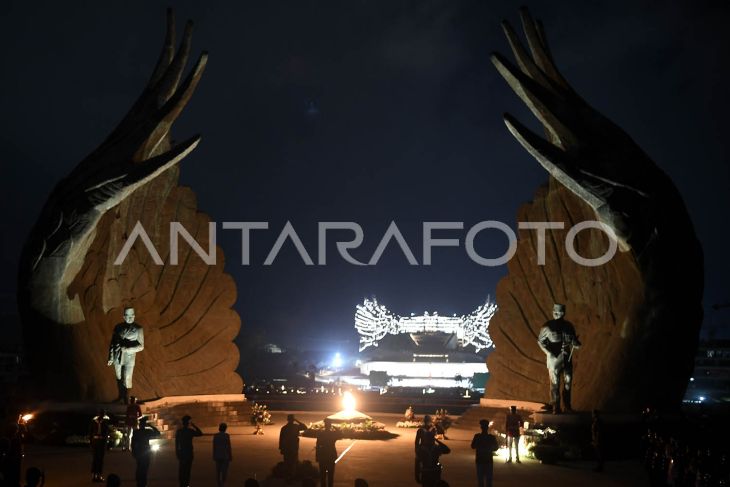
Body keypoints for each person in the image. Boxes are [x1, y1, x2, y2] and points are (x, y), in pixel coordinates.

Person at [537, 303, 581, 413]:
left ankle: (567, 406)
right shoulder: (547, 326)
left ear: (564, 313)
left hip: (567, 359)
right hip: (554, 361)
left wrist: (576, 344)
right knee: (555, 384)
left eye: (560, 312)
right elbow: (540, 341)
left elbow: (574, 340)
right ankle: (555, 406)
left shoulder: (569, 326)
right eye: (556, 312)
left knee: (568, 384)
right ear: (552, 312)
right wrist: (548, 353)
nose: (558, 314)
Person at [107, 306, 145, 404]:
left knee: (127, 378)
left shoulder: (138, 329)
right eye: (127, 315)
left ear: (134, 315)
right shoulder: (118, 327)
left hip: (129, 357)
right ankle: (120, 396)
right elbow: (113, 342)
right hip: (117, 357)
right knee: (119, 377)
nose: (130, 317)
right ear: (124, 316)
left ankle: (126, 399)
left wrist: (128, 349)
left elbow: (141, 346)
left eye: (132, 315)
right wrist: (111, 357)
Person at [175, 415, 203, 487]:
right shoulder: (190, 431)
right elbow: (200, 433)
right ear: (188, 423)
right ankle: (186, 484)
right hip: (189, 452)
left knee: (181, 469)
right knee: (187, 470)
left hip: (182, 452)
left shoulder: (179, 431)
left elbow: (176, 443)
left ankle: (182, 484)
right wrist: (194, 425)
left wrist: (177, 452)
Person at [279, 414, 307, 481]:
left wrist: (281, 448)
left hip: (286, 447)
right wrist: (297, 420)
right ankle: (291, 477)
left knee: (287, 462)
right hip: (293, 447)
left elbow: (281, 439)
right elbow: (305, 427)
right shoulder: (296, 427)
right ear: (293, 420)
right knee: (293, 463)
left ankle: (287, 476)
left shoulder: (284, 428)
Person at [472, 419, 499, 487]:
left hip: (479, 460)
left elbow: (473, 446)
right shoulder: (491, 437)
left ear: (481, 427)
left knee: (480, 480)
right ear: (488, 427)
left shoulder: (477, 436)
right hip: (488, 460)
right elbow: (496, 448)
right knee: (489, 480)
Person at [316, 419, 341, 487]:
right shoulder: (332, 434)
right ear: (330, 425)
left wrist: (317, 457)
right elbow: (340, 434)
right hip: (331, 455)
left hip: (322, 455)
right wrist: (333, 426)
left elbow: (317, 445)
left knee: (322, 476)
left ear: (325, 425)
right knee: (330, 475)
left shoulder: (321, 434)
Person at [132, 417, 156, 487]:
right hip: (145, 451)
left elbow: (133, 443)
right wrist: (151, 426)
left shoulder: (136, 432)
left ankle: (139, 482)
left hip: (140, 451)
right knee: (144, 468)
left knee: (140, 467)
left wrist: (134, 452)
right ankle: (143, 482)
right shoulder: (147, 431)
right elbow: (157, 433)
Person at [89, 409, 111, 483]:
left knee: (96, 458)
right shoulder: (104, 422)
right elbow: (106, 432)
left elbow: (90, 433)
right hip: (100, 441)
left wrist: (91, 442)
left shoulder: (95, 421)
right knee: (99, 459)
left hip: (96, 441)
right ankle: (97, 475)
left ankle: (95, 475)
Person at [415, 415, 437, 483]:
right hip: (429, 449)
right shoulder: (433, 429)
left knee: (417, 462)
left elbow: (416, 442)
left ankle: (417, 477)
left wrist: (417, 450)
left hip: (425, 448)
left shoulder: (421, 430)